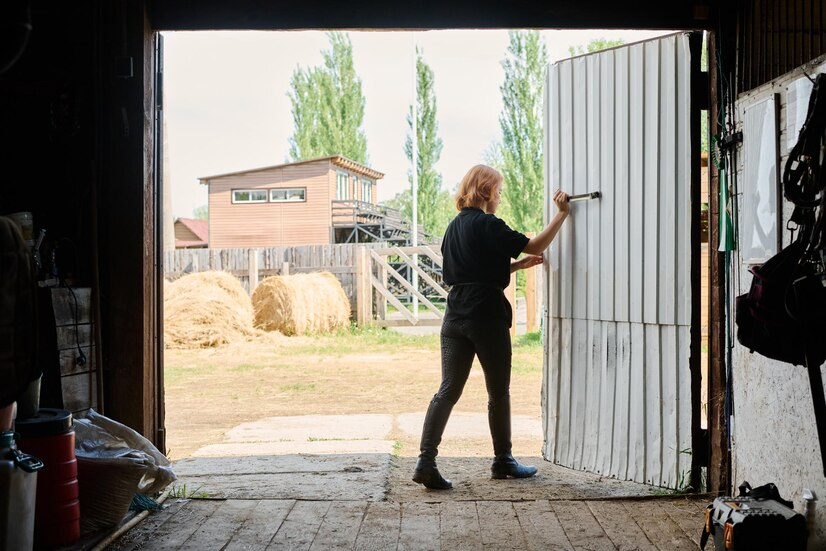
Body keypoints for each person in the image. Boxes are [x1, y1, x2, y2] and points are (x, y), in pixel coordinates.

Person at [412, 164, 570, 490]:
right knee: (498, 392)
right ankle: (503, 461)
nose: (499, 197)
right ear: (486, 191)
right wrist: (562, 215)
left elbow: (472, 270)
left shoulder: (453, 228)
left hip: (454, 316)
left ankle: (425, 461)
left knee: (448, 389)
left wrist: (516, 266)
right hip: (486, 317)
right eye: (497, 190)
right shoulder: (489, 224)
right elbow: (536, 245)